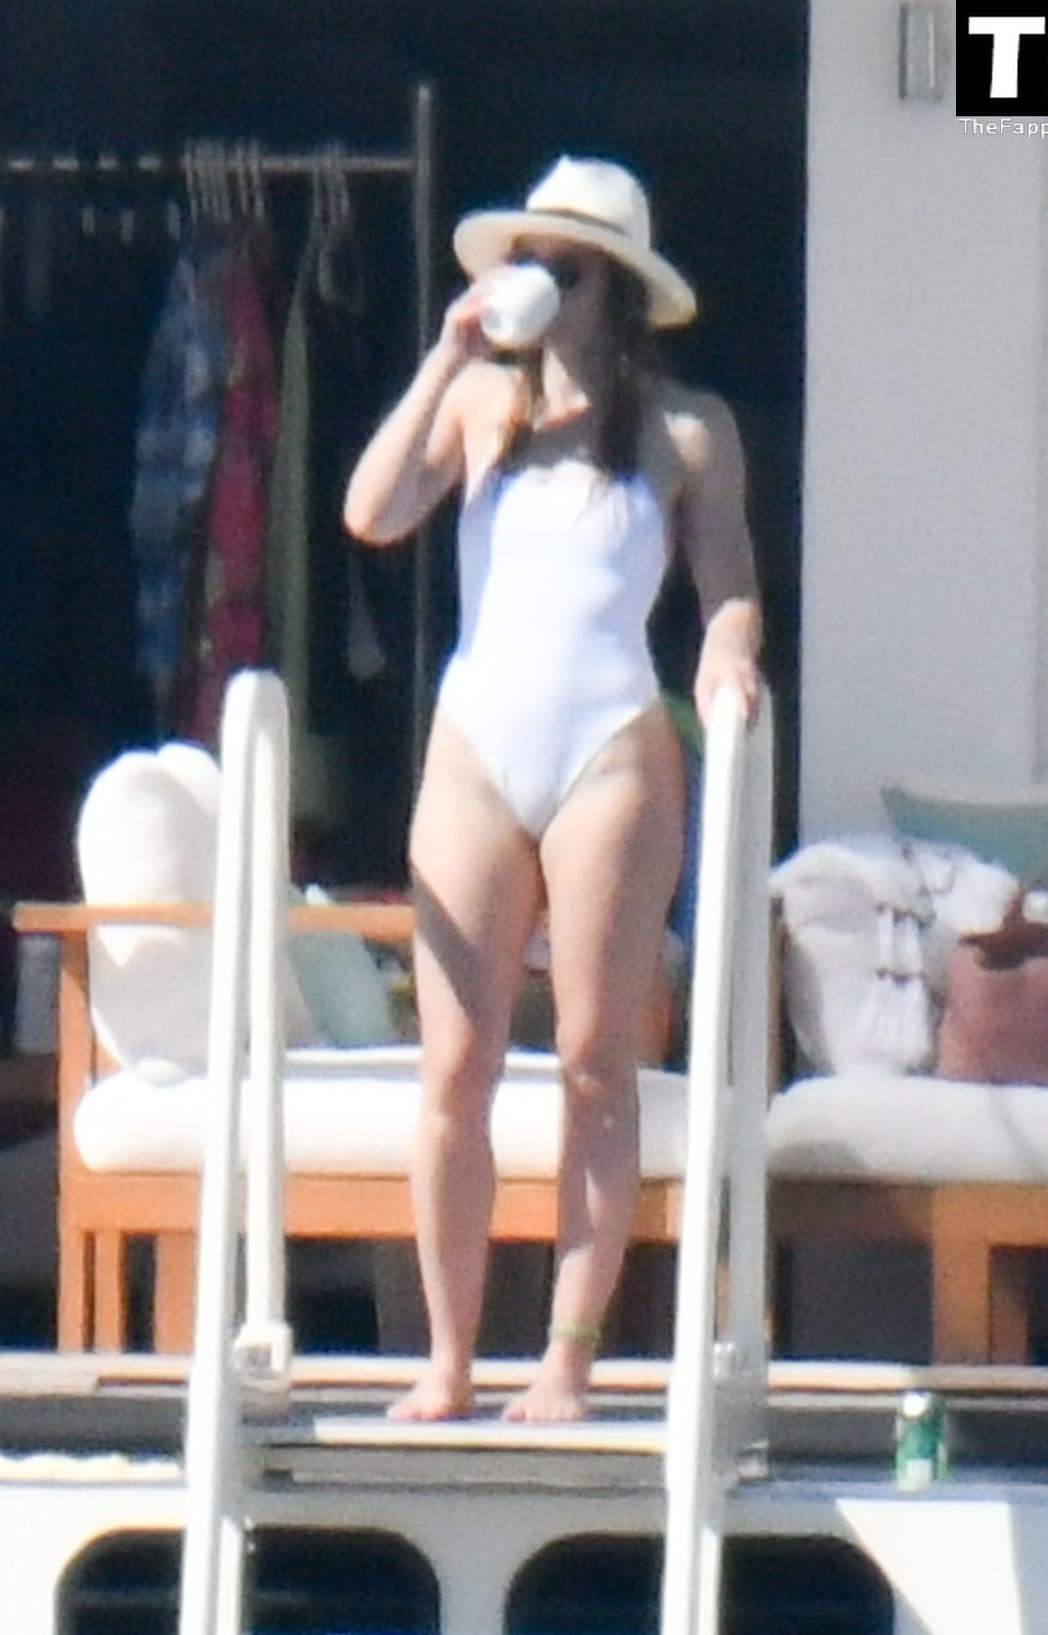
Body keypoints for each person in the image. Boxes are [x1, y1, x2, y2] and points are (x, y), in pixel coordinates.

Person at [344, 155, 762, 1422]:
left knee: (593, 1059)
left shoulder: (688, 429)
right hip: (478, 740)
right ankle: (449, 1357)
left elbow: (729, 588)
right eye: (525, 261)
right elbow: (371, 512)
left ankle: (567, 1359)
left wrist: (729, 661)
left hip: (610, 747)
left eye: (562, 269)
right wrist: (446, 356)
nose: (537, 283)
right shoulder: (483, 402)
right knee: (454, 1062)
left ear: (614, 290)